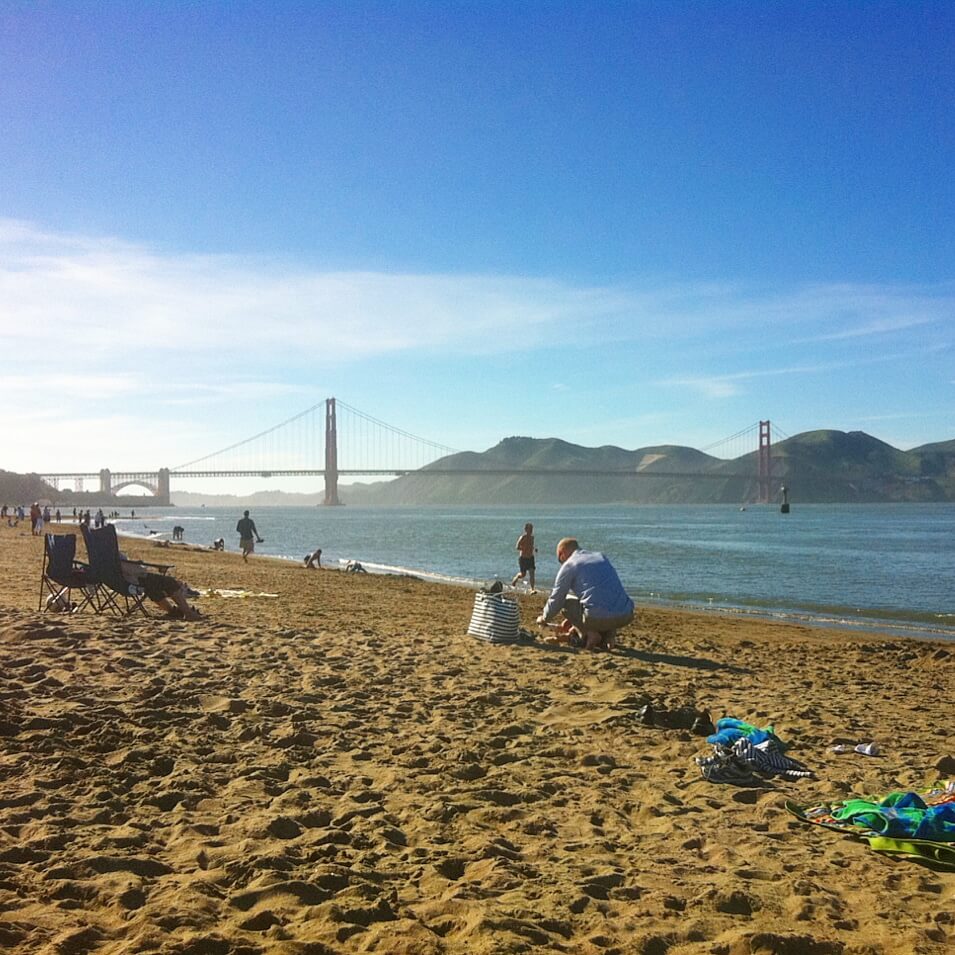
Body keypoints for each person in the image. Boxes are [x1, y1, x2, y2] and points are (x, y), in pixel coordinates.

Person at [536, 538, 634, 651]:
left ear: (561, 553)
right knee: (608, 600)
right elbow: (598, 594)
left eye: (560, 560)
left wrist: (544, 618)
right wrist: (573, 620)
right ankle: (609, 637)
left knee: (565, 603)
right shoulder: (600, 557)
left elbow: (557, 599)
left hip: (600, 617)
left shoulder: (569, 565)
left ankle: (590, 634)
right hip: (626, 613)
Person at [118, 552, 201, 620]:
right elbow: (128, 567)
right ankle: (188, 613)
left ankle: (172, 611)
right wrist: (141, 565)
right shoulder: (114, 554)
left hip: (120, 582)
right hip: (131, 581)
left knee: (153, 588)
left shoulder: (107, 556)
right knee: (170, 582)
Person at [510, 522, 538, 592]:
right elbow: (517, 547)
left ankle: (532, 589)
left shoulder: (532, 538)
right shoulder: (522, 537)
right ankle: (515, 579)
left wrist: (534, 549)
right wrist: (523, 548)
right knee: (523, 575)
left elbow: (531, 546)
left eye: (532, 529)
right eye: (530, 529)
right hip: (523, 558)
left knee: (532, 573)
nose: (531, 531)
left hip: (530, 557)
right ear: (526, 530)